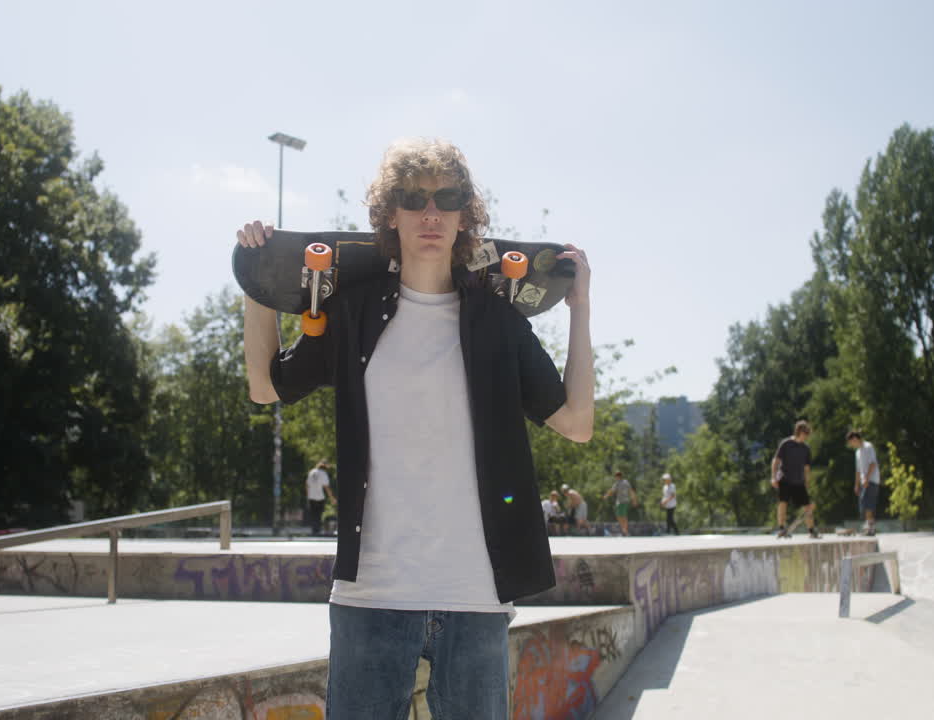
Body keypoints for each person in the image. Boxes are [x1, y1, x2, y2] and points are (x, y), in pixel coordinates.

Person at [238, 137, 593, 720]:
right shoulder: (353, 313)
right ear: (390, 215)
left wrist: (580, 309)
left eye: (446, 198)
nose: (431, 213)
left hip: (476, 597)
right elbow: (266, 386)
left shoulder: (497, 322)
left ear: (463, 217)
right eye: (413, 198)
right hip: (371, 595)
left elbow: (577, 423)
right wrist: (262, 282)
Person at [771, 420, 819, 539]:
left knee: (807, 506)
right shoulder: (786, 443)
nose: (807, 436)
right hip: (785, 478)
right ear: (799, 432)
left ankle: (811, 530)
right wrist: (773, 477)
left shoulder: (806, 448)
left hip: (799, 481)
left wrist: (807, 481)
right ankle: (781, 528)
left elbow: (806, 467)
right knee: (783, 503)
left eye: (808, 433)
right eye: (805, 433)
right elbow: (776, 461)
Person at [846, 430, 881, 536]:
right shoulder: (858, 452)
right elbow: (858, 470)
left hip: (872, 479)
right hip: (863, 481)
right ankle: (869, 526)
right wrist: (856, 484)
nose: (851, 445)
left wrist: (866, 478)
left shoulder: (868, 447)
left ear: (855, 439)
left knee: (868, 504)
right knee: (864, 505)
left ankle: (870, 527)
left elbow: (873, 463)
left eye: (851, 442)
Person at [601, 470, 638, 536]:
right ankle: (624, 529)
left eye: (616, 476)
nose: (615, 478)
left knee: (623, 516)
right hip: (620, 502)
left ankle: (625, 531)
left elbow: (612, 491)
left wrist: (606, 496)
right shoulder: (623, 482)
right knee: (619, 515)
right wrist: (634, 500)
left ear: (618, 476)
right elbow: (631, 491)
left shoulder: (622, 483)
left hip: (623, 501)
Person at [305, 460, 336, 536]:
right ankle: (317, 530)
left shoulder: (311, 472)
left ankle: (314, 530)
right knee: (319, 514)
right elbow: (326, 487)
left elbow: (306, 485)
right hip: (320, 497)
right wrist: (332, 498)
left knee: (313, 514)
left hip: (311, 497)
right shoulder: (323, 474)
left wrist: (308, 496)